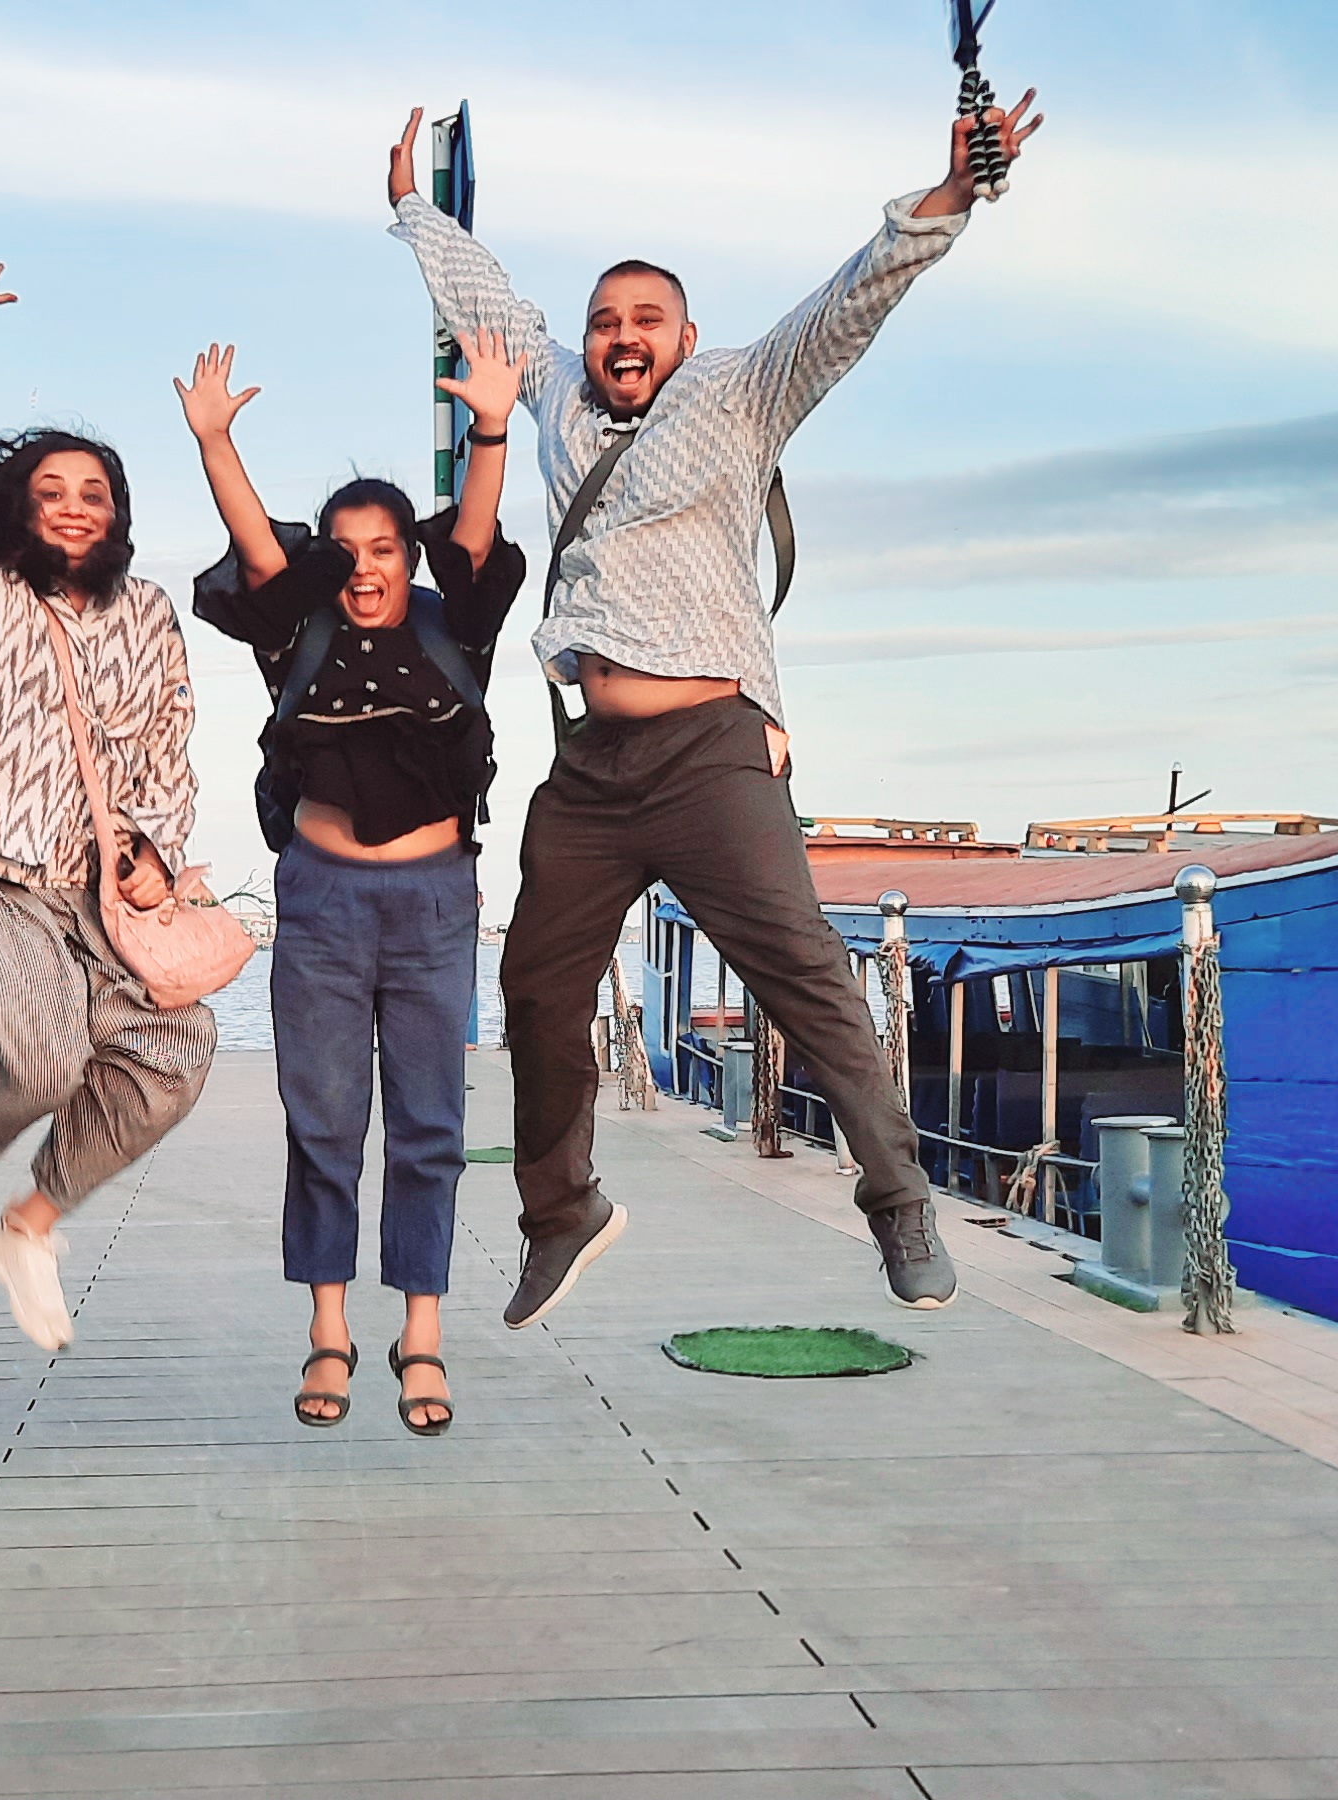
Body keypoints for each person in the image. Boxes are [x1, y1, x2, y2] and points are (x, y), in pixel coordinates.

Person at [383, 89, 1043, 1329]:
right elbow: (492, 308)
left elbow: (847, 305)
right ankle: (561, 1210)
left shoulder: (741, 390)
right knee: (533, 985)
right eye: (604, 322)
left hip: (707, 754)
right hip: (590, 767)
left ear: (687, 337)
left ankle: (898, 1200)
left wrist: (947, 196)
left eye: (647, 320)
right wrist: (415, 208)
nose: (621, 337)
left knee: (802, 970)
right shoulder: (562, 398)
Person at [178, 334, 526, 1434]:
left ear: (406, 560)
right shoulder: (298, 636)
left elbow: (472, 540)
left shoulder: (453, 625)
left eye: (384, 548)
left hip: (434, 906)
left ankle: (419, 1334)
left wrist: (489, 431)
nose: (367, 566)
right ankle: (328, 1330)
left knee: (428, 1126)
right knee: (323, 1124)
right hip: (322, 902)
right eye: (347, 549)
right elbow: (258, 553)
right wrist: (215, 442)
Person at [0, 258, 216, 1356]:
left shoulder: (149, 611)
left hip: (80, 886)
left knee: (177, 1046)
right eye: (52, 491)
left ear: (118, 515)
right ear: (19, 508)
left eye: (95, 493)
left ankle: (29, 1222)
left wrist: (154, 851)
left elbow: (167, 733)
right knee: (45, 1053)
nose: (73, 507)